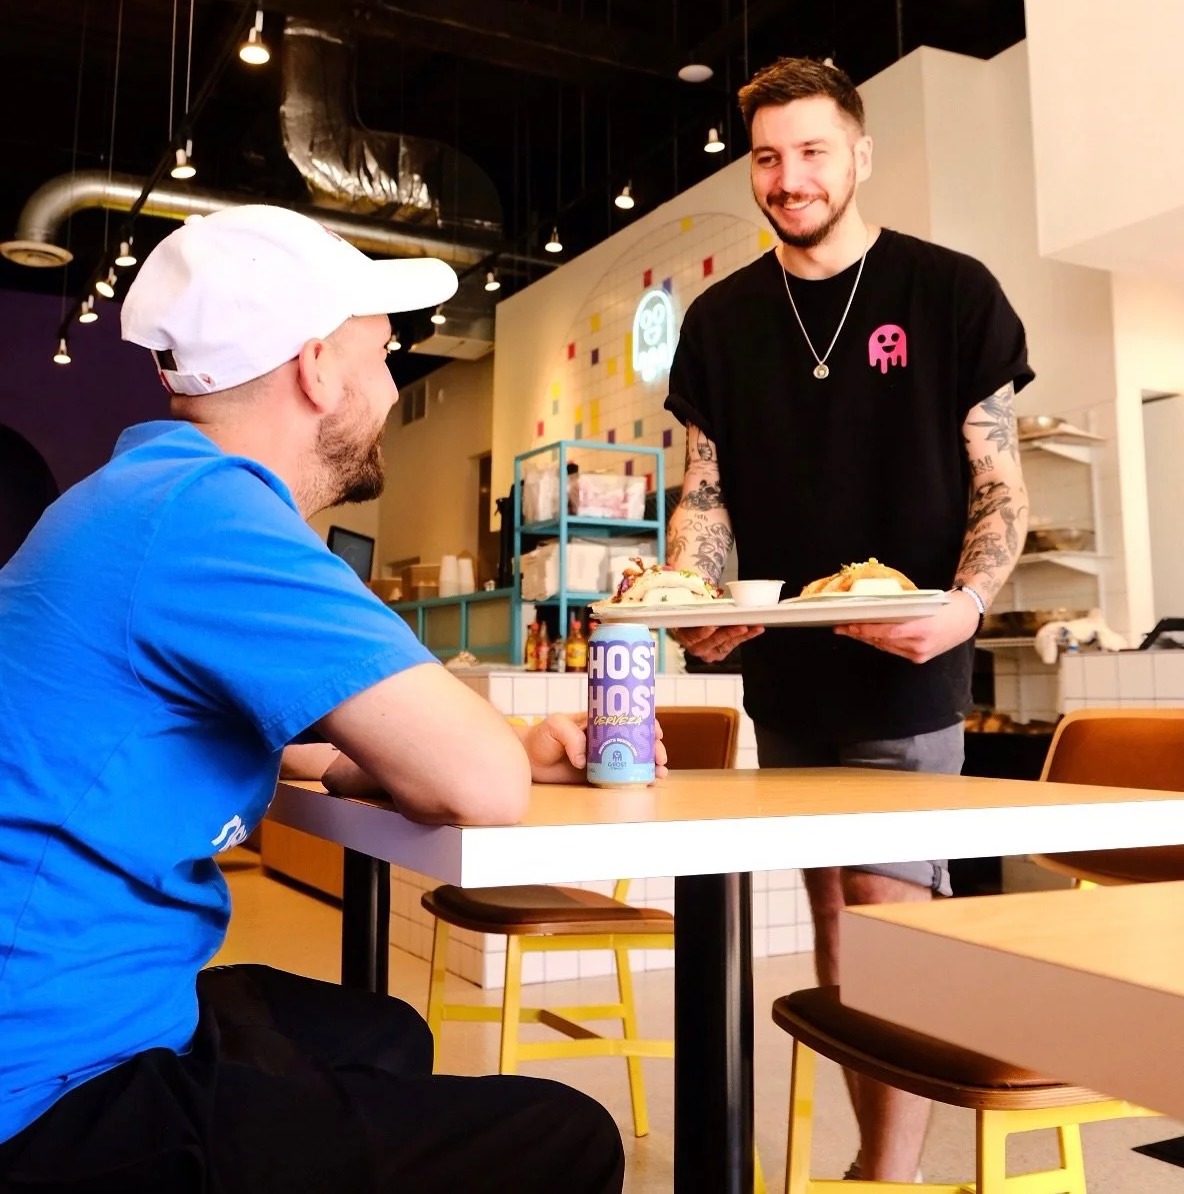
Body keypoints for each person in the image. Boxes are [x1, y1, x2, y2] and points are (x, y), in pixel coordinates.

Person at [0, 206, 630, 1194]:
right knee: (569, 1132)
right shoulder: (213, 513)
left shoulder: (148, 495)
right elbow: (483, 786)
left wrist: (500, 744)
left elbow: (300, 744)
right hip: (47, 1091)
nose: (390, 386)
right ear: (316, 369)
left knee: (377, 1033)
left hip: (72, 1008)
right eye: (382, 355)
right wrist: (498, 752)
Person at [664, 58, 1032, 1183]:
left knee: (888, 914)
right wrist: (695, 600)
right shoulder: (721, 320)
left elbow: (1000, 485)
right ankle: (881, 1157)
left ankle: (888, 1174)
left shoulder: (948, 291)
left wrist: (965, 607)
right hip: (785, 675)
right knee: (836, 924)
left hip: (910, 664)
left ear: (859, 154)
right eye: (768, 156)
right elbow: (702, 493)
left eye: (813, 150)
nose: (789, 176)